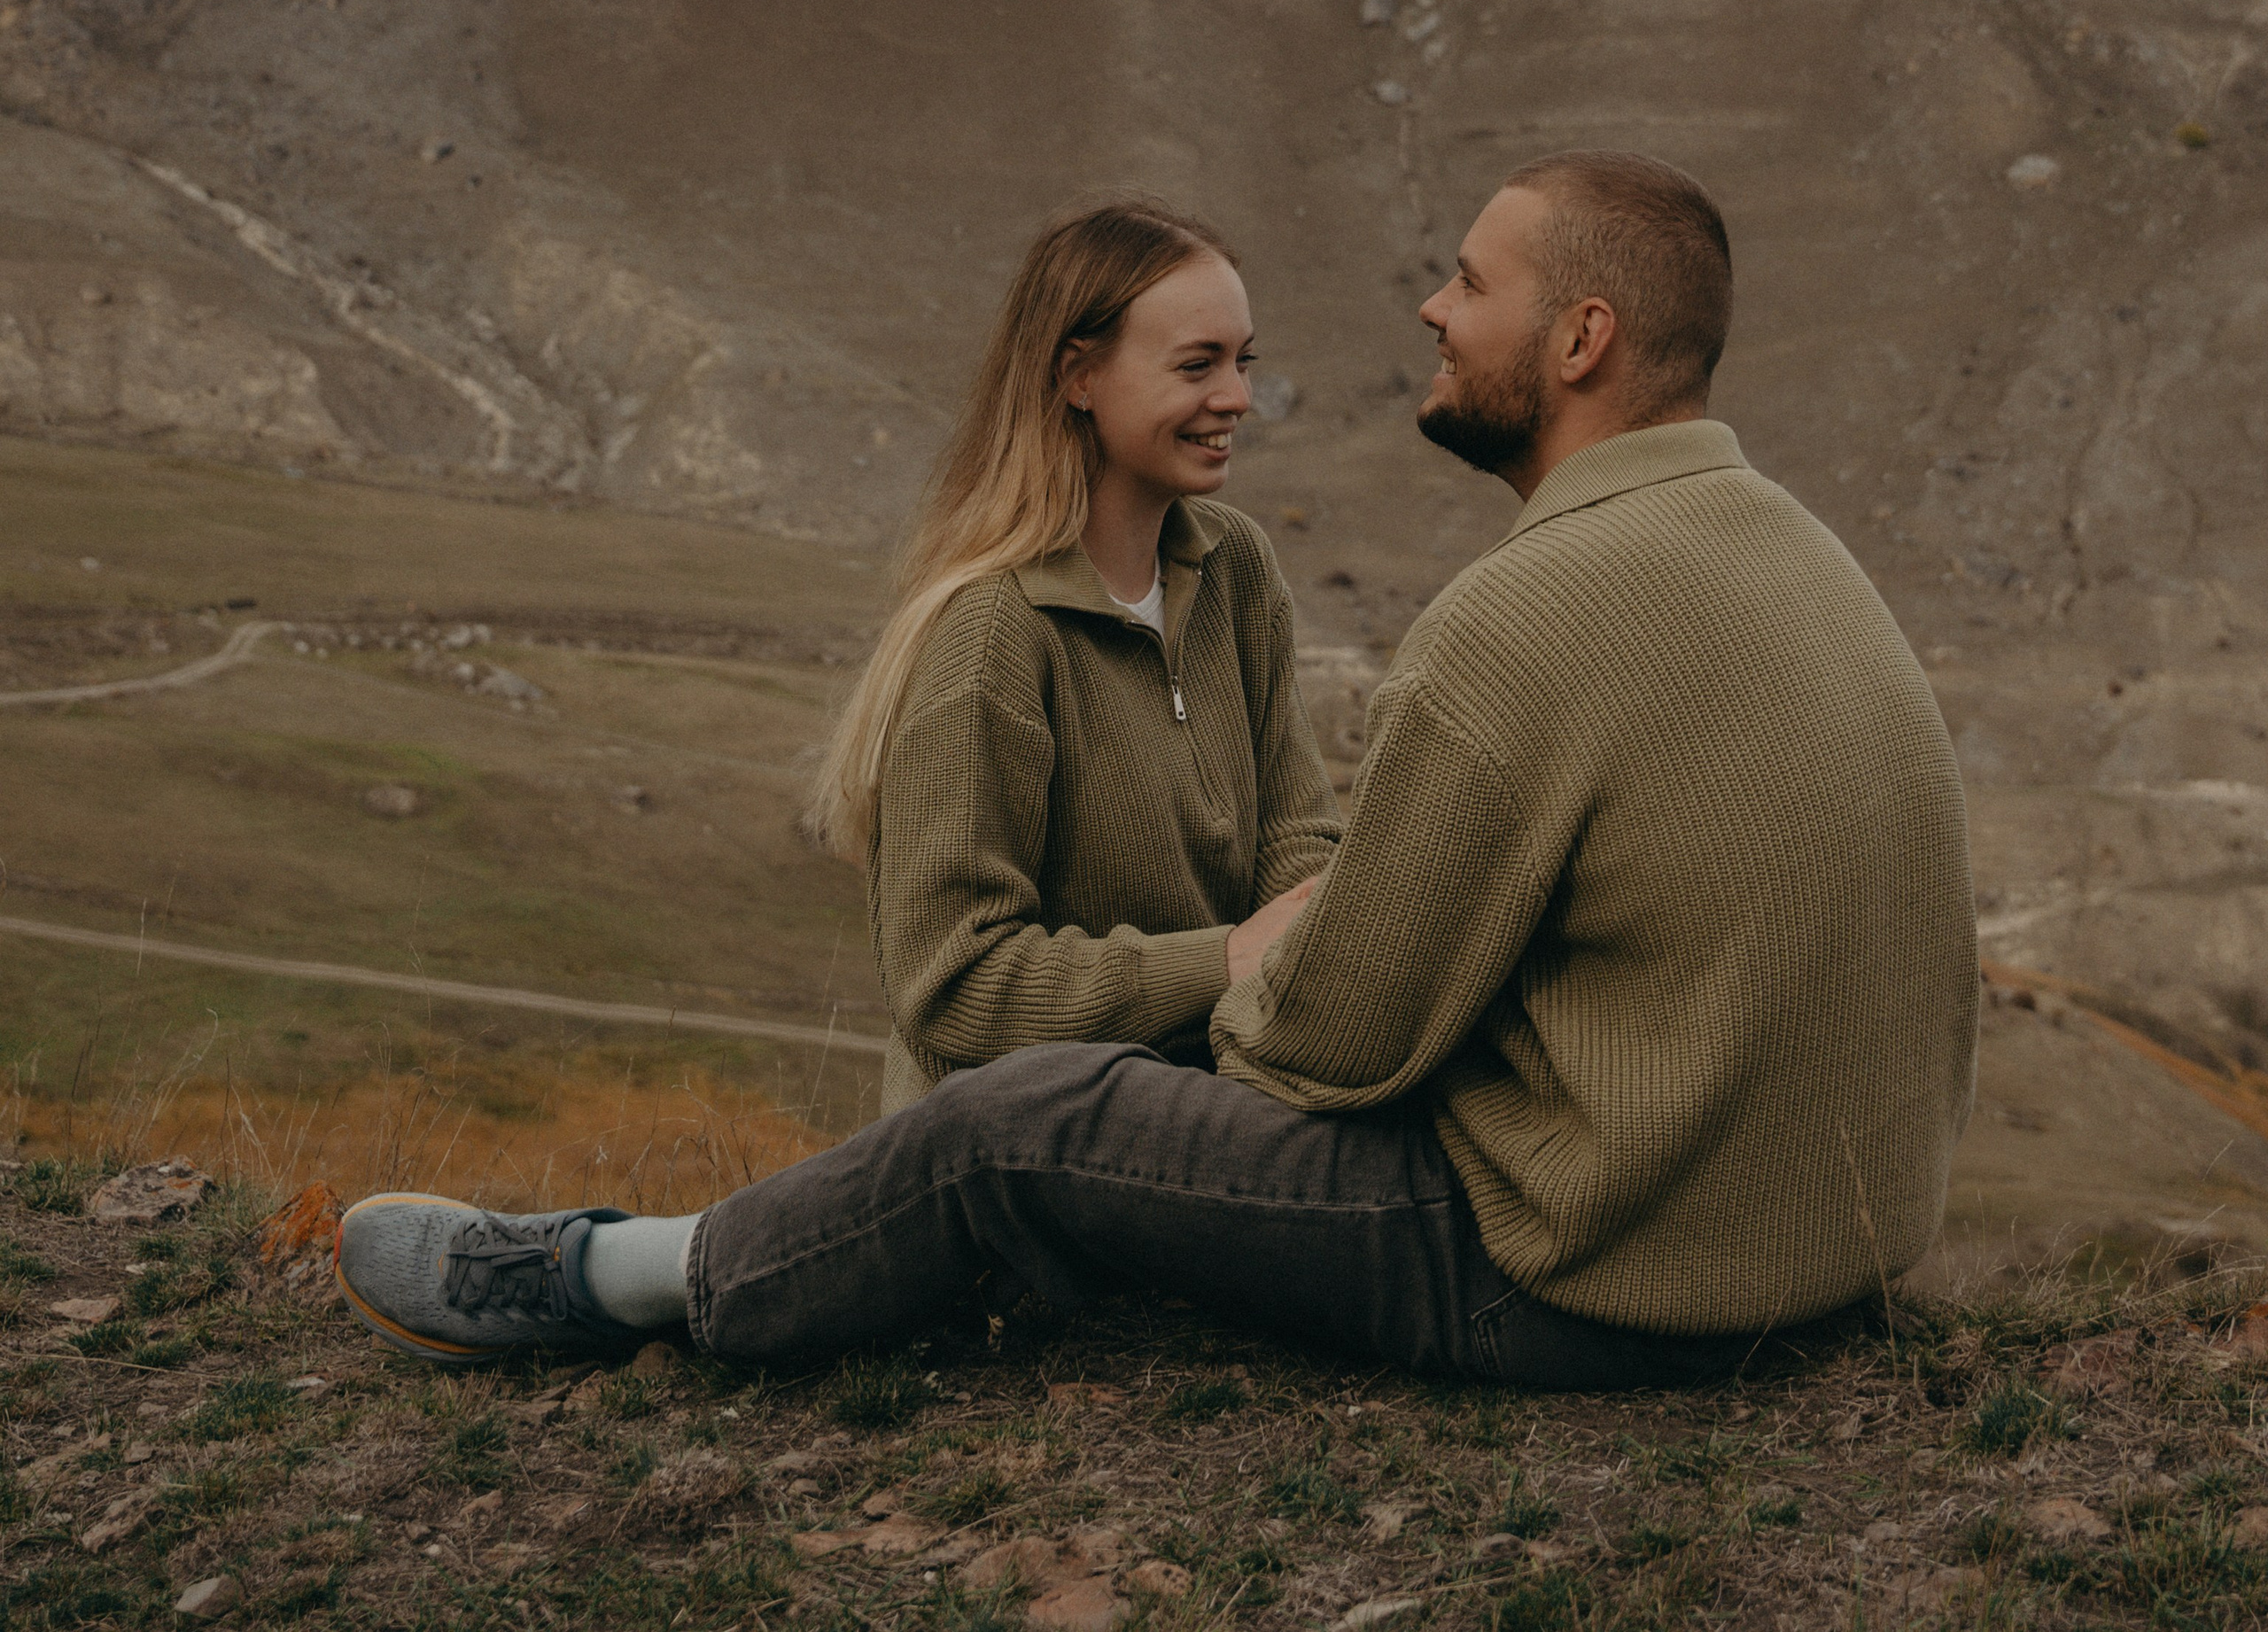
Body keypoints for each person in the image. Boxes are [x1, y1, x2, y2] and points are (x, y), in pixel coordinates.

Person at [334, 152, 1978, 1389]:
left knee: (1019, 1131)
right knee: (1055, 1092)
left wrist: (1264, 1001)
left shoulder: (1503, 612)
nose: (1426, 306)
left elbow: (1334, 1030)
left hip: (1583, 1277)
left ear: (1581, 338)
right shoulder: (1797, 553)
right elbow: (1038, 979)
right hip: (1803, 1263)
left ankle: (602, 1278)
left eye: (1470, 282)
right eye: (1203, 364)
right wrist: (1265, 967)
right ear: (1080, 375)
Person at [812, 197, 1341, 1113]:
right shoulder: (991, 636)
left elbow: (1295, 837)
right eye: (1196, 364)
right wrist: (1223, 961)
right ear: (1078, 375)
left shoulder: (1234, 568)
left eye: (1242, 360)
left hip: (1209, 1131)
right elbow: (955, 986)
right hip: (1011, 1174)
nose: (1238, 397)